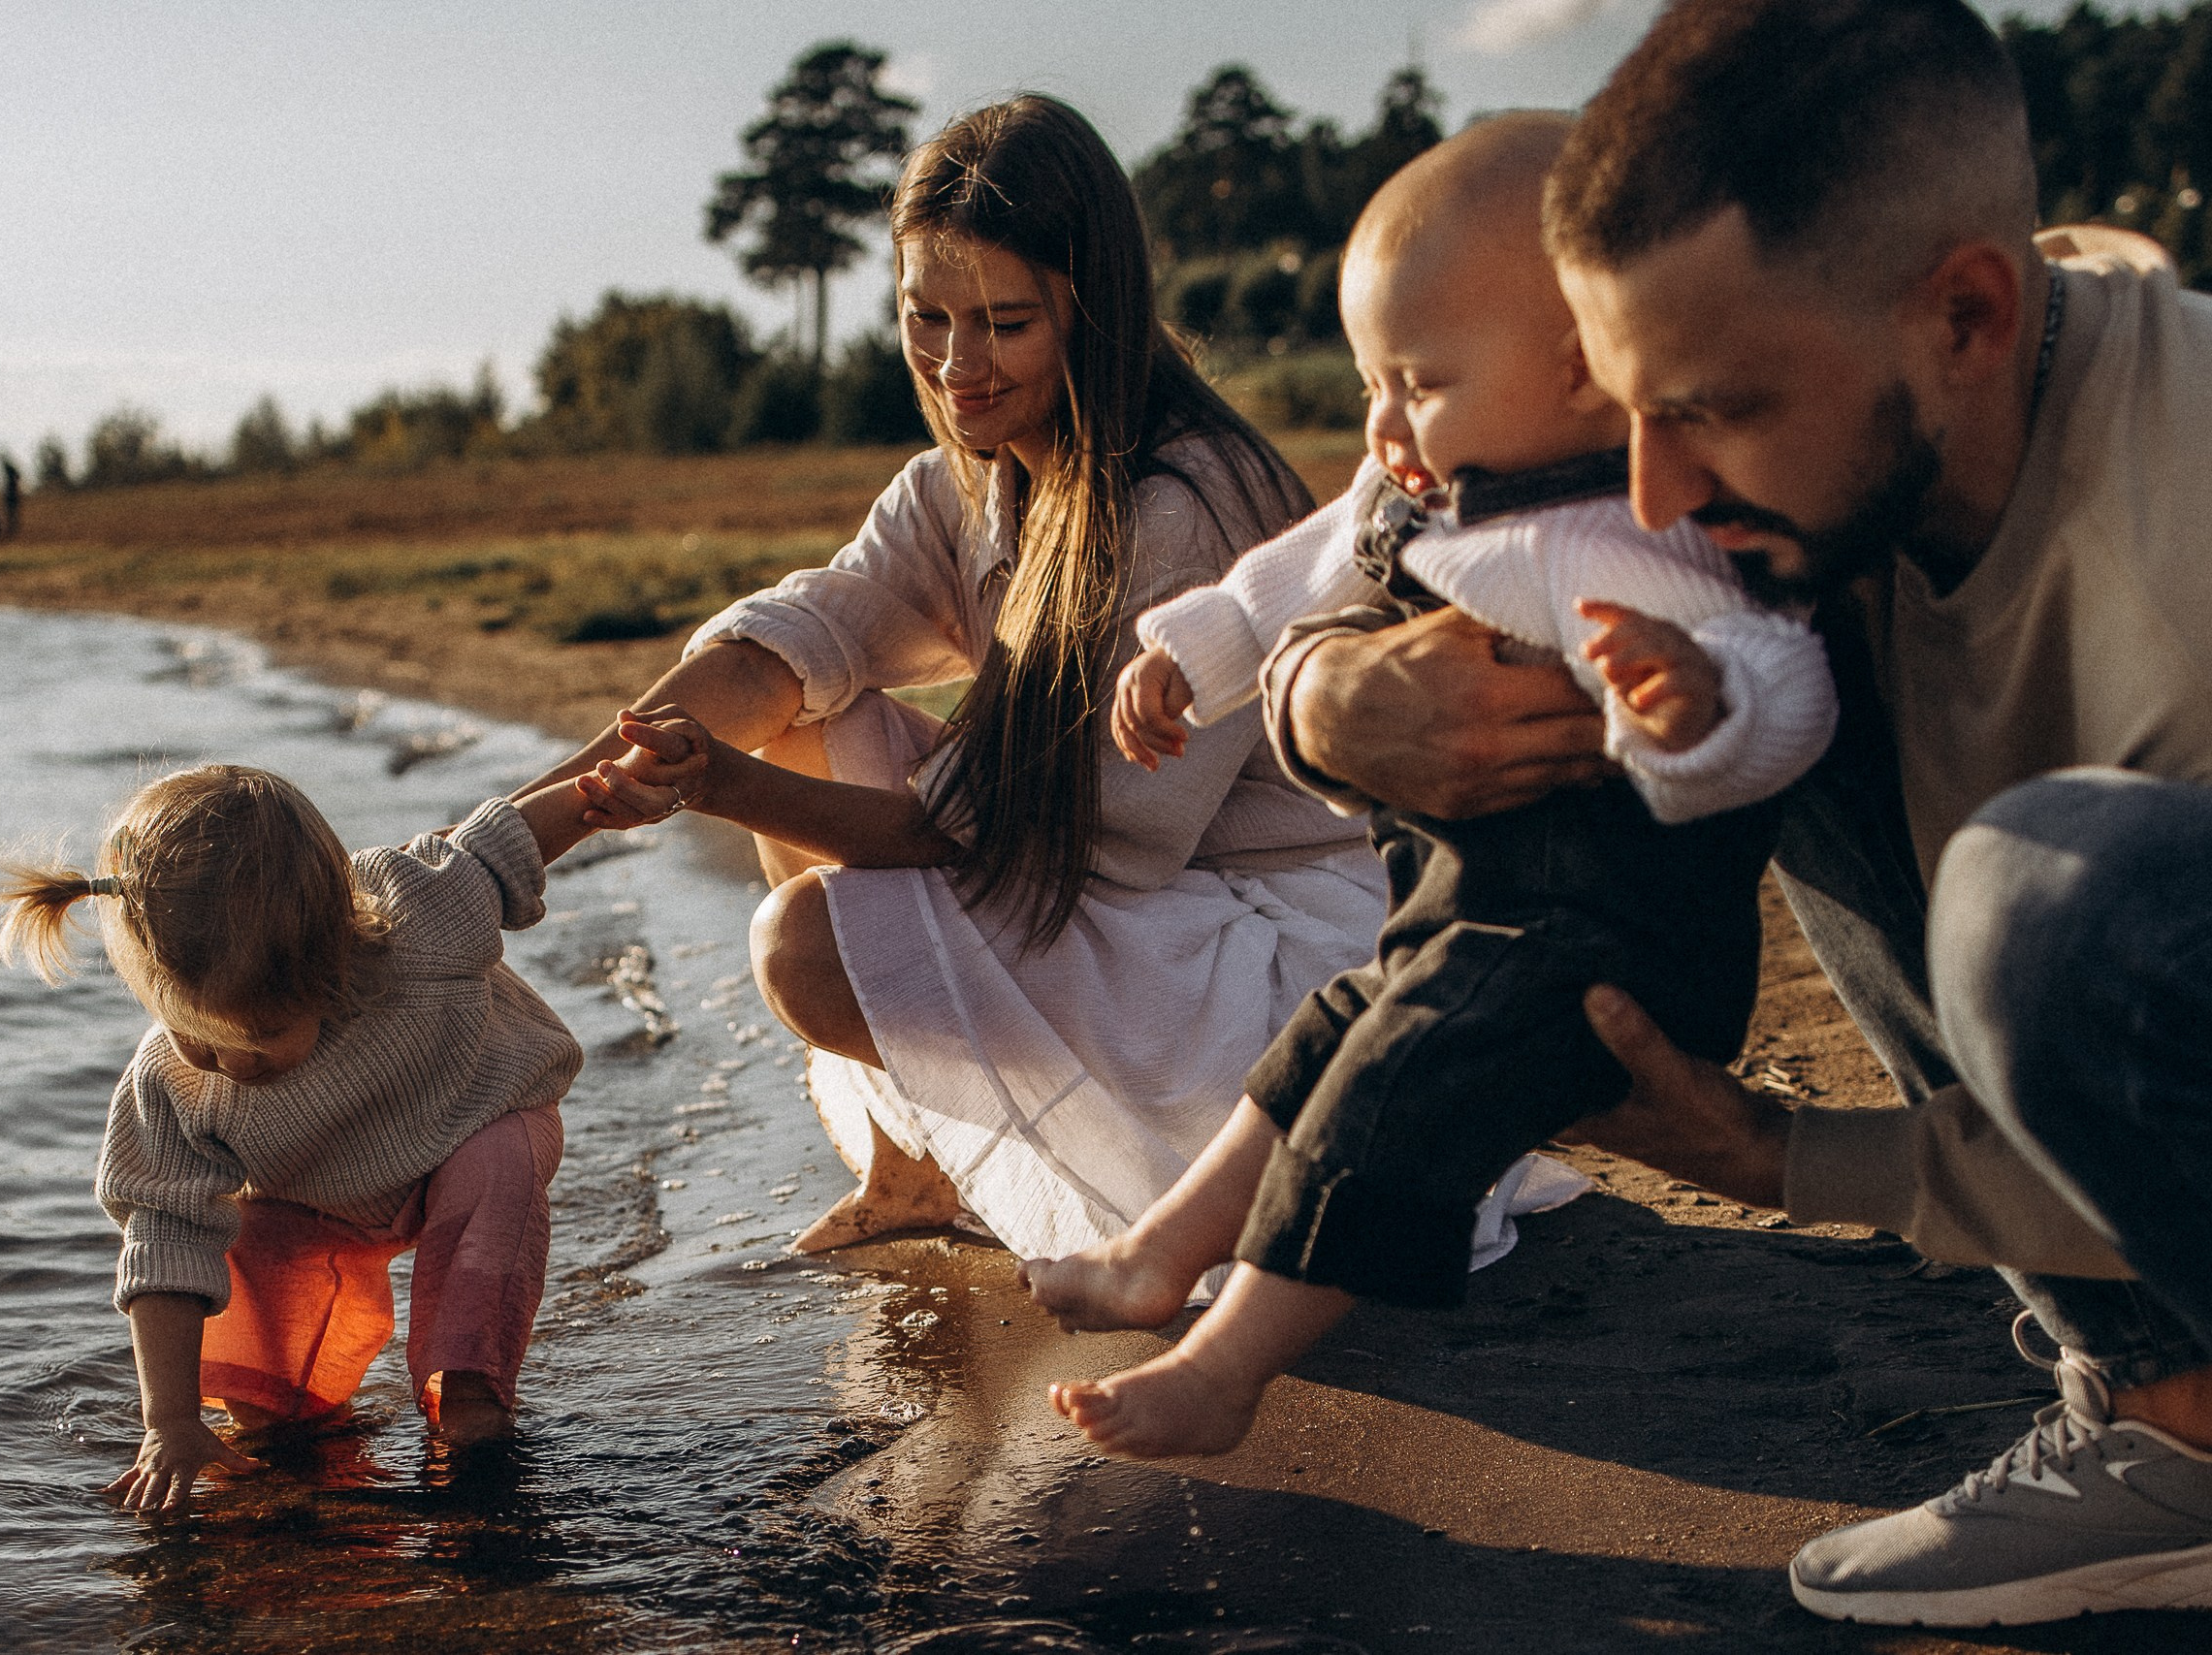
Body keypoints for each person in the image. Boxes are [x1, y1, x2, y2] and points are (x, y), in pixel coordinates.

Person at [1281, 0, 2212, 1627]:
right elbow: (1412, 508)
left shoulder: (2175, 561)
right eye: (1626, 409)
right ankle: (2166, 1421)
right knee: (1749, 676)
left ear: (1971, 316)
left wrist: (1794, 1157)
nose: (1648, 492)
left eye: (1707, 408)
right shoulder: (1885, 368)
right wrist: (1329, 695)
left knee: (2049, 898)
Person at [1014, 113, 1835, 1458]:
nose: (1384, 424)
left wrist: (1701, 709)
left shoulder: (1649, 521)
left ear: (1581, 368)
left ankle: (1230, 1361)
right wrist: (1195, 649)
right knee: (1341, 1022)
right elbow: (1304, 565)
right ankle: (1158, 1253)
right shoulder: (1426, 485)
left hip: (1618, 948)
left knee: (1399, 1069)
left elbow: (1783, 687)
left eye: (1417, 380)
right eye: (1368, 385)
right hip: (1471, 914)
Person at [504, 95, 1393, 1264]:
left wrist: (715, 786)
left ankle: (1120, 1174)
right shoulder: (965, 484)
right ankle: (913, 1170)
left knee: (804, 949)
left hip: (1267, 942)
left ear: (1093, 310)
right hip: (1129, 894)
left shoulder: (1184, 503)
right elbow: (789, 644)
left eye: (1005, 324)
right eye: (928, 317)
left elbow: (1017, 841)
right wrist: (509, 842)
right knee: (811, 709)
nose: (958, 367)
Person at [0, 756, 689, 1512]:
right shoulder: (171, 1086)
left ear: (332, 958)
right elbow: (164, 1239)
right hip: (317, 1198)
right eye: (195, 1033)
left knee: (491, 1193)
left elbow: (503, 844)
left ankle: (468, 1397)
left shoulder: (418, 917)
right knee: (271, 1402)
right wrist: (170, 1418)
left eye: (259, 1035)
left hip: (475, 1122)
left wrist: (611, 793)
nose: (229, 1061)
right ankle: (293, 1436)